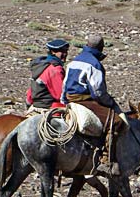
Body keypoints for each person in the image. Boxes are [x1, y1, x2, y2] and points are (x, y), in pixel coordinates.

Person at [61, 34, 128, 175]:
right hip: (84, 100)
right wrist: (110, 103)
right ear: (100, 48)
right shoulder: (95, 64)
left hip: (70, 98)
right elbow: (98, 92)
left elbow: (65, 84)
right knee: (115, 122)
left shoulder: (73, 62)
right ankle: (106, 160)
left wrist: (64, 101)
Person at [26, 39, 70, 111]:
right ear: (53, 52)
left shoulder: (41, 65)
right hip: (49, 105)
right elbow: (59, 95)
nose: (65, 54)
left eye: (66, 51)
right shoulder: (55, 69)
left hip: (35, 104)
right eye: (62, 51)